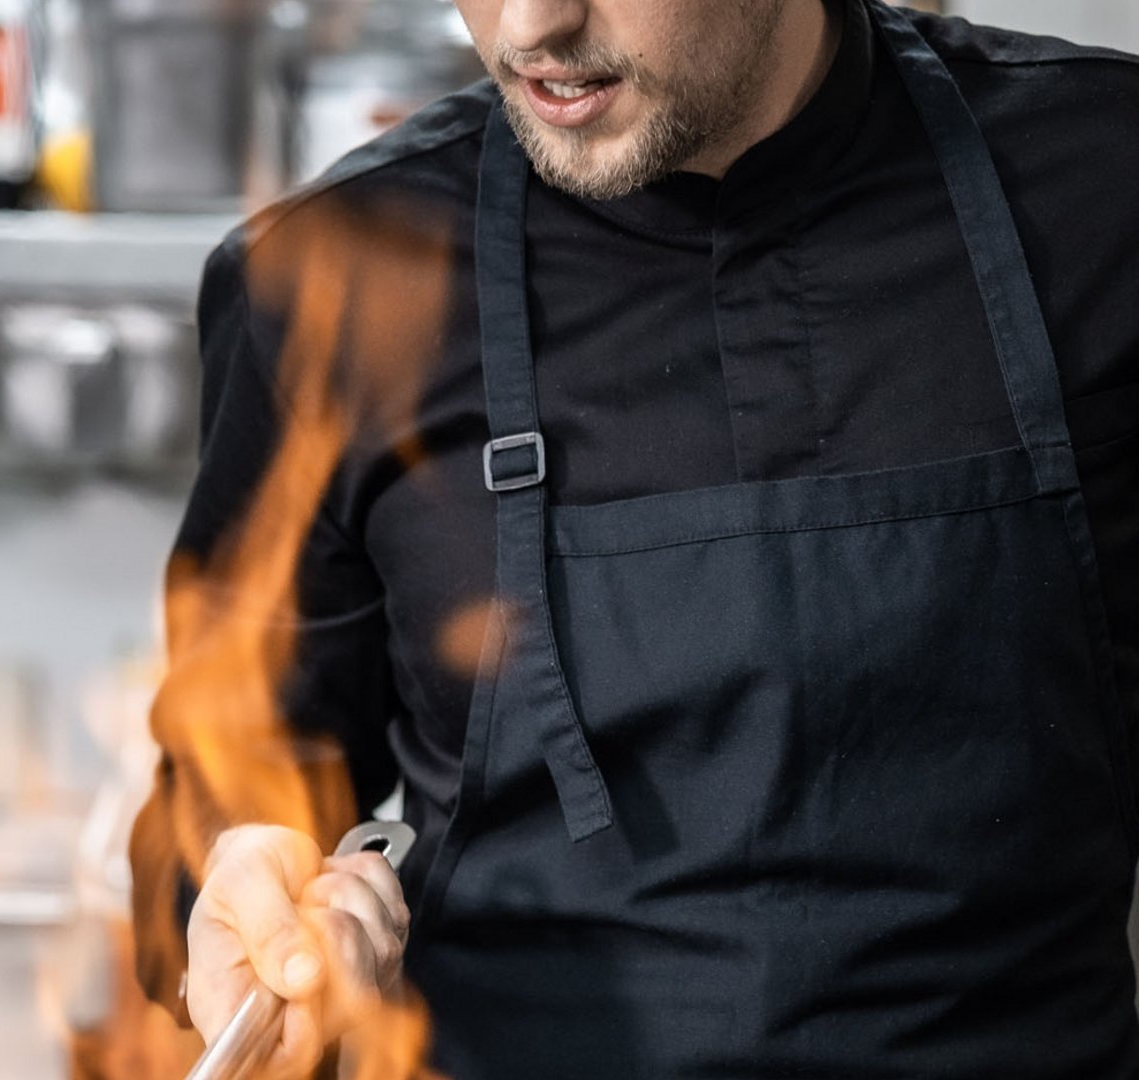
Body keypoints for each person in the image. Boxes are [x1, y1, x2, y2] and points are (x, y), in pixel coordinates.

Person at [128, 0, 1139, 1075]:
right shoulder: (333, 279)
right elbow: (218, 790)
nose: (530, 26)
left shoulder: (1103, 186)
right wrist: (233, 896)